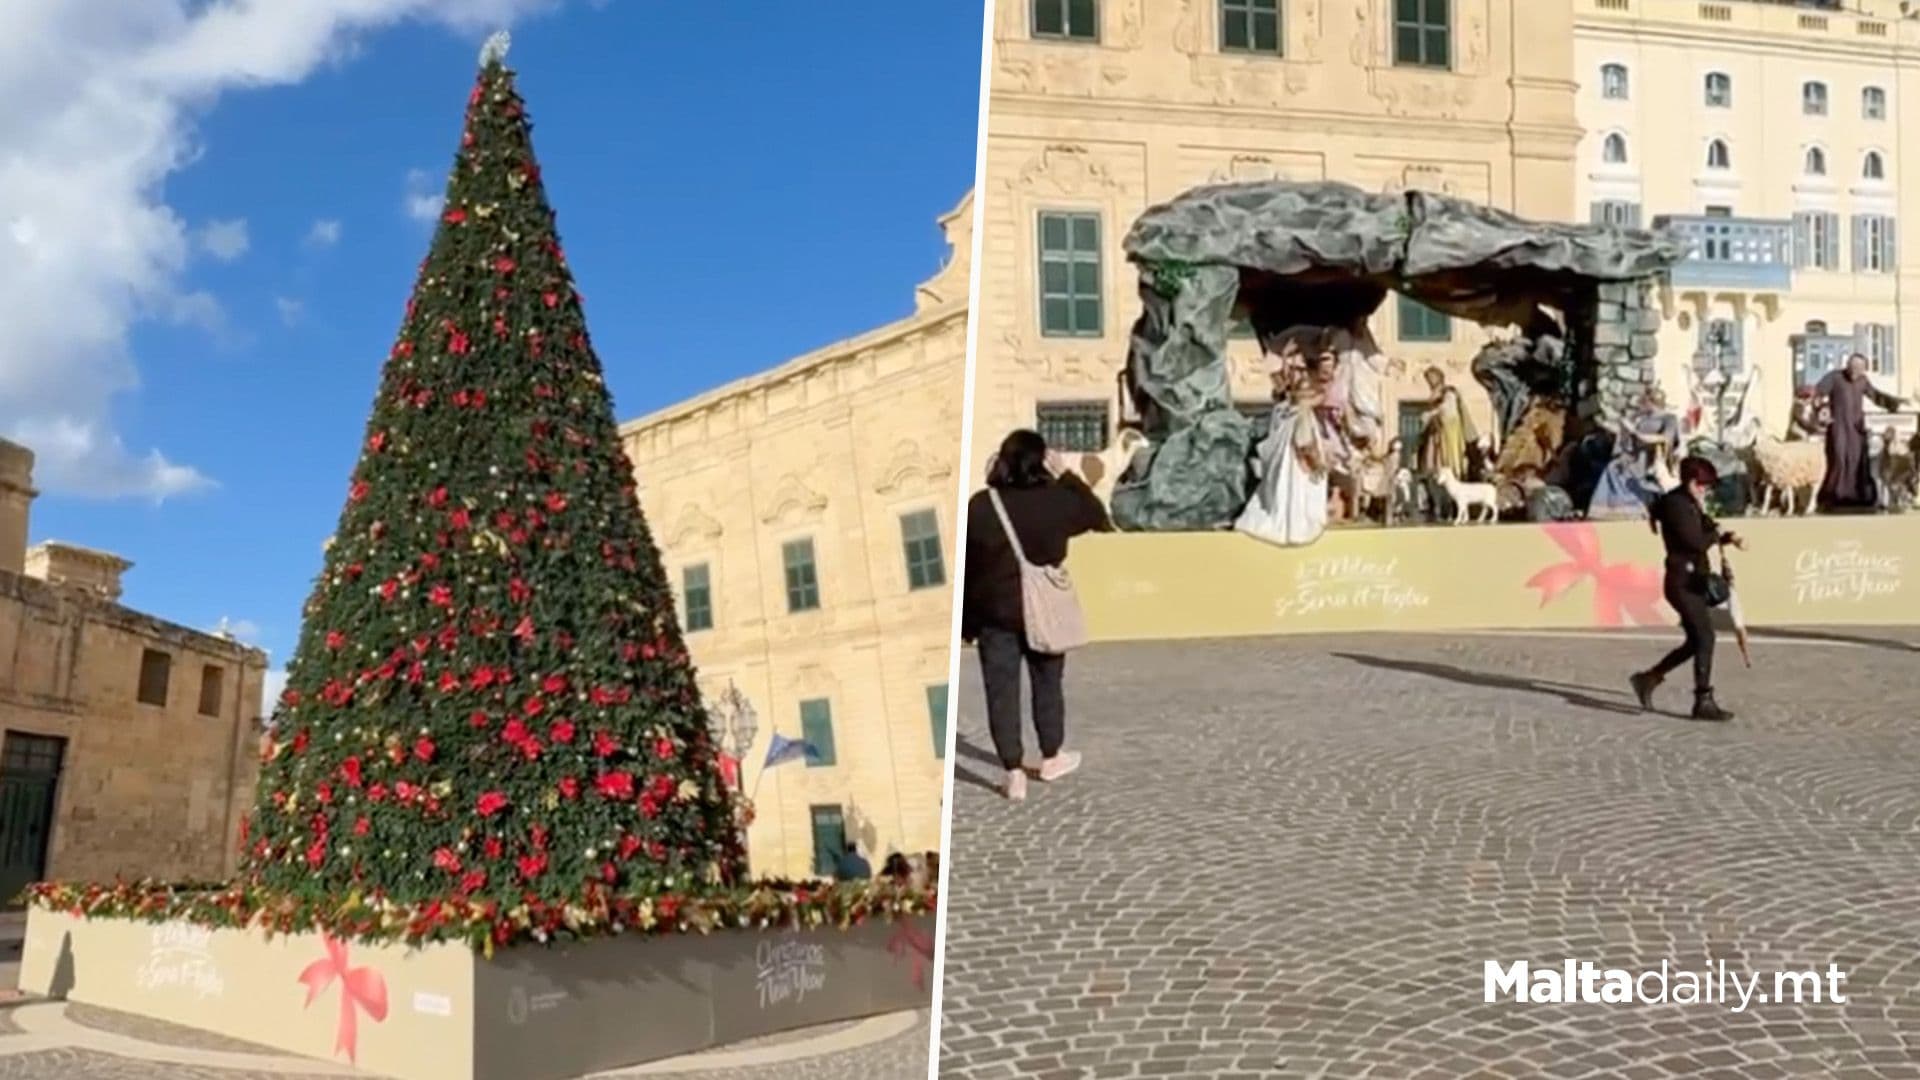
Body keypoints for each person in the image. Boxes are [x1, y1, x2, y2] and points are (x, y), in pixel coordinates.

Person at [962, 429, 1110, 801]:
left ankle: (1013, 774)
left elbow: (968, 567)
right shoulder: (1057, 501)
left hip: (995, 615)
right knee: (1048, 684)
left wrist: (966, 624)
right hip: (1043, 611)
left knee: (1001, 693)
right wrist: (1066, 475)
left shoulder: (982, 505)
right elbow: (1097, 516)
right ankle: (1051, 756)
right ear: (1042, 461)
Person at [1630, 456, 1745, 721]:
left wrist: (1723, 536)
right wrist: (1715, 536)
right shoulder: (1676, 505)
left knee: (1696, 640)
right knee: (1705, 637)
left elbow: (1704, 531)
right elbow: (1694, 541)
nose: (1705, 489)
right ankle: (1702, 700)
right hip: (1682, 583)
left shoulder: (1690, 503)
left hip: (1693, 580)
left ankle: (1649, 678)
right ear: (1690, 481)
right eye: (1702, 484)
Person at [1235, 330, 1334, 546]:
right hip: (1296, 469)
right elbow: (1304, 442)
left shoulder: (1284, 411)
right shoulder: (1299, 413)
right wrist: (1317, 462)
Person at [1813, 354, 1908, 512]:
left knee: (1858, 461)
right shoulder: (1834, 378)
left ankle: (1857, 498)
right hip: (1839, 427)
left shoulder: (1863, 381)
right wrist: (1822, 410)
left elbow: (1876, 396)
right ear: (1848, 365)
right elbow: (1818, 395)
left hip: (1857, 428)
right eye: (1853, 367)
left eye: (1860, 368)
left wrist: (1895, 403)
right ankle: (1834, 497)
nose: (1856, 371)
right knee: (1839, 459)